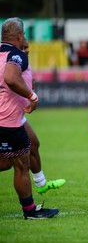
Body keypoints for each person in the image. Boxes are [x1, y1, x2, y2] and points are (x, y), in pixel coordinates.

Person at [0, 17, 59, 219]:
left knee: (8, 161)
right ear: (18, 36)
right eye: (24, 34)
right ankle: (30, 211)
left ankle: (39, 186)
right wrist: (32, 95)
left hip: (7, 118)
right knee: (20, 165)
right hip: (7, 121)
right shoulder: (16, 55)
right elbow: (10, 78)